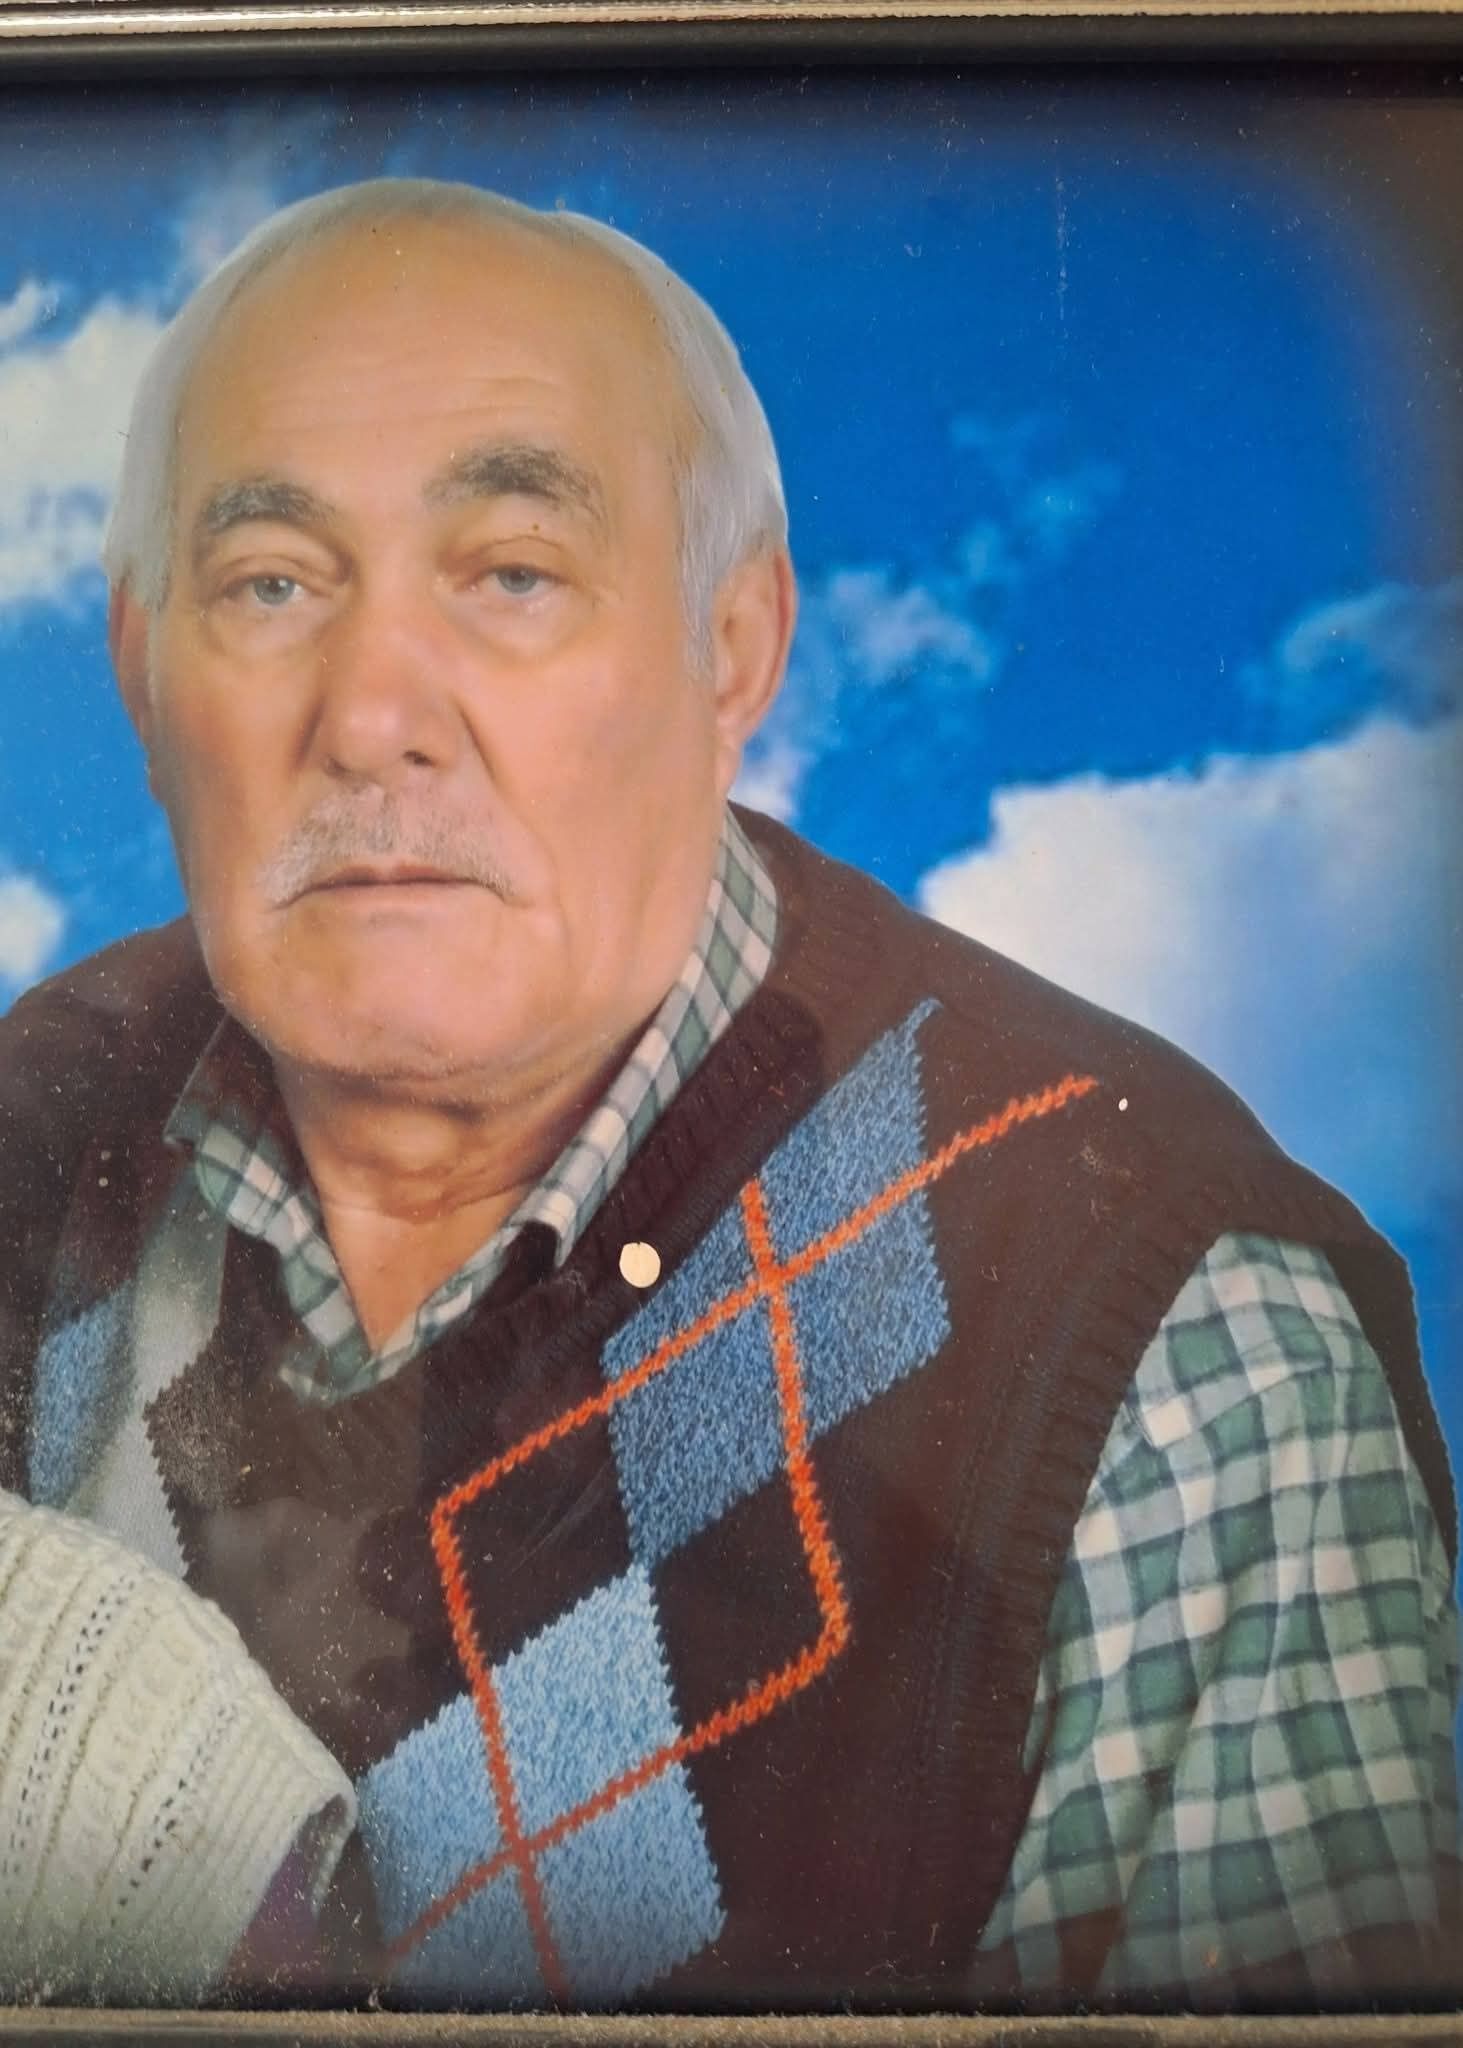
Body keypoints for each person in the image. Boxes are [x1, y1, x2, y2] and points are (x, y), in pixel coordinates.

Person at [0, 176, 1456, 2015]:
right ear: (141, 666)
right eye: (272, 583)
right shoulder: (35, 1128)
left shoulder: (1164, 1350)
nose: (370, 715)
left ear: (734, 649)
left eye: (512, 575)